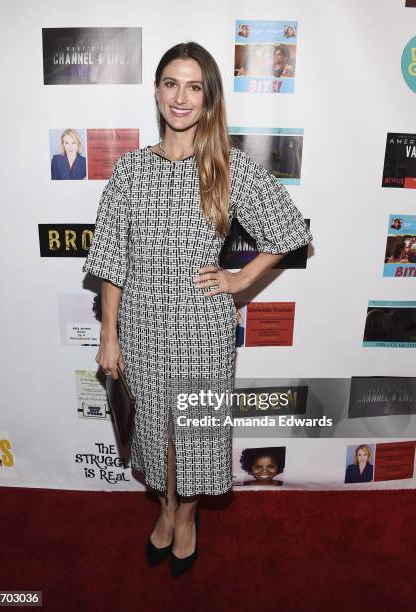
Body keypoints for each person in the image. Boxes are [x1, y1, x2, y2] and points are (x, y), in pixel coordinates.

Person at [82, 41, 313, 576]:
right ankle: (164, 509)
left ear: (208, 98)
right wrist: (109, 334)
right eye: (170, 84)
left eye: (193, 87)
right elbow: (113, 260)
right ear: (157, 91)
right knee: (157, 431)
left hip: (202, 331)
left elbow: (291, 231)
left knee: (197, 434)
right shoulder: (130, 171)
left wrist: (238, 278)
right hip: (139, 327)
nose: (180, 97)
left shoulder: (226, 167)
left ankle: (186, 518)